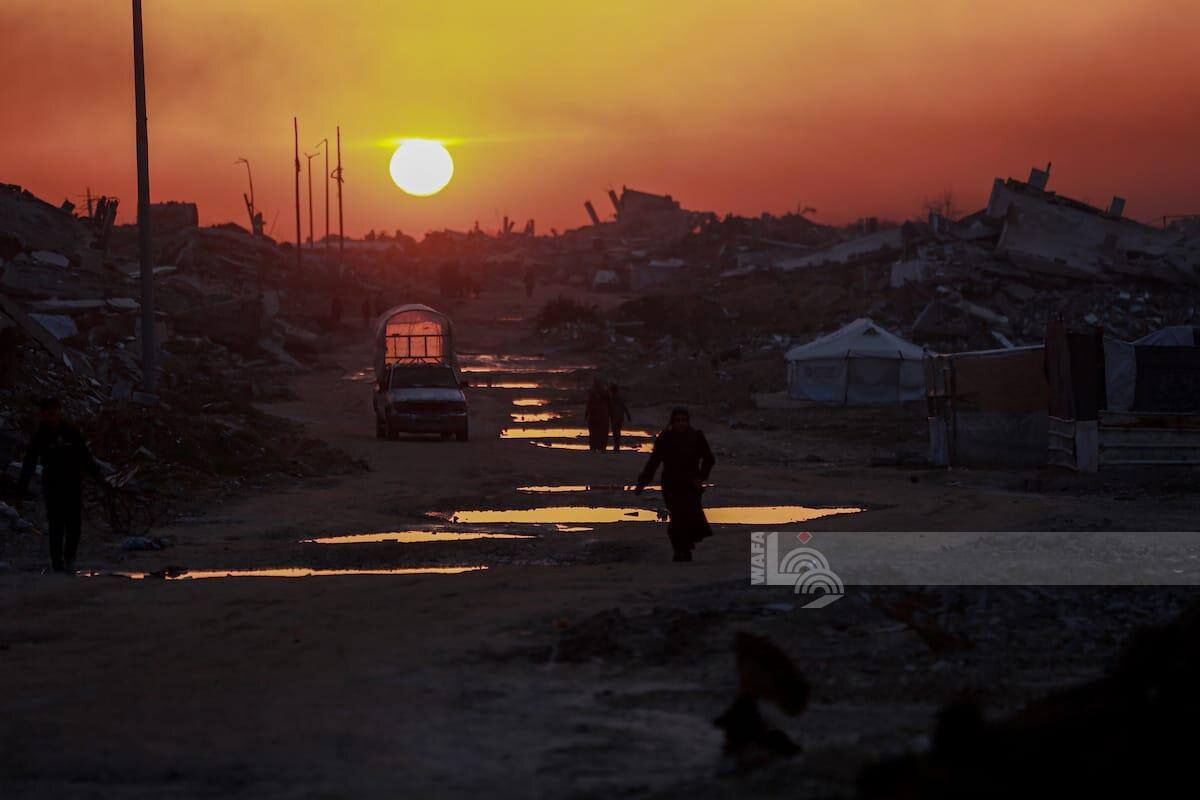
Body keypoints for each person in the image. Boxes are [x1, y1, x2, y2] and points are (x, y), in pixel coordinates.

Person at [18, 398, 103, 574]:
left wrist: (100, 479)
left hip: (72, 482)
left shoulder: (71, 431)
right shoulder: (40, 435)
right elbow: (29, 461)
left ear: (58, 411)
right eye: (47, 412)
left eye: (53, 411)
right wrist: (21, 486)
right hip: (53, 484)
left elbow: (85, 456)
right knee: (56, 524)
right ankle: (57, 563)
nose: (50, 415)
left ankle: (69, 558)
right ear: (43, 414)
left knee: (74, 524)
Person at [635, 407, 716, 562]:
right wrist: (643, 481)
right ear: (672, 422)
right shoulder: (665, 438)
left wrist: (701, 477)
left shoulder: (696, 437)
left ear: (688, 421)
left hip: (691, 485)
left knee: (690, 516)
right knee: (677, 517)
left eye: (683, 420)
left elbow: (709, 459)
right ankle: (679, 550)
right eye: (677, 420)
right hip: (671, 485)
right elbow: (654, 461)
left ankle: (685, 548)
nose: (681, 424)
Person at [584, 379, 611, 452]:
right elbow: (610, 404)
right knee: (601, 432)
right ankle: (600, 447)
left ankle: (595, 447)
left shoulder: (593, 393)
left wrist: (586, 413)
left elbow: (588, 404)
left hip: (596, 416)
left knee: (594, 433)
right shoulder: (604, 393)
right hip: (601, 415)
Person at [607, 383, 631, 451]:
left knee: (615, 432)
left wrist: (628, 415)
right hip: (619, 417)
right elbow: (624, 407)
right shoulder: (617, 397)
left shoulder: (613, 398)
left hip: (615, 417)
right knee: (617, 431)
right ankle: (617, 446)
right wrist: (628, 415)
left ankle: (616, 446)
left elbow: (610, 408)